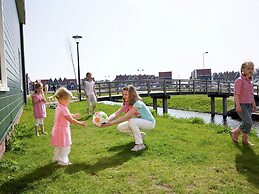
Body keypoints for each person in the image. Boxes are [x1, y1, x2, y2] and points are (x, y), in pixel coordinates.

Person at [102, 85, 155, 151]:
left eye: (126, 94)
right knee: (120, 127)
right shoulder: (126, 103)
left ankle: (140, 144)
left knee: (131, 121)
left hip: (149, 123)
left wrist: (111, 123)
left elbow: (126, 116)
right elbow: (116, 113)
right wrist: (105, 121)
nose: (124, 96)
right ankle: (140, 136)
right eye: (123, 94)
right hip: (140, 122)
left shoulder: (138, 103)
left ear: (132, 95)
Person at [51, 87, 87, 166]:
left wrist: (74, 115)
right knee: (65, 146)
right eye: (68, 100)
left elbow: (67, 116)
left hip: (58, 129)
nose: (69, 102)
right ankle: (63, 161)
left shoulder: (60, 107)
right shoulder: (63, 109)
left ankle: (56, 158)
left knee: (58, 145)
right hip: (63, 130)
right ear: (61, 99)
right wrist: (81, 123)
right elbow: (71, 120)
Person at [230, 61, 257, 145]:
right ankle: (235, 132)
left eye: (252, 68)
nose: (251, 70)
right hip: (241, 104)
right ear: (243, 69)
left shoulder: (250, 81)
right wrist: (237, 105)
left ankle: (245, 139)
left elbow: (251, 94)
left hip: (249, 105)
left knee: (246, 122)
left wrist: (254, 104)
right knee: (248, 122)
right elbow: (236, 94)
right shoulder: (239, 81)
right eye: (248, 68)